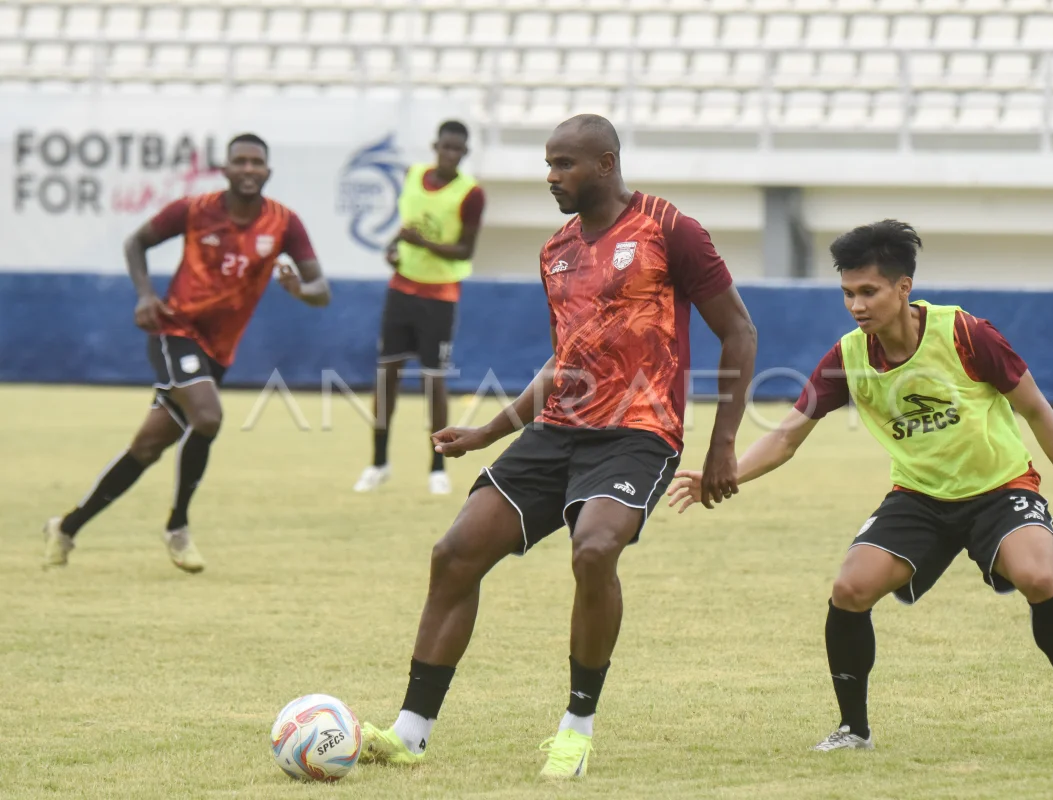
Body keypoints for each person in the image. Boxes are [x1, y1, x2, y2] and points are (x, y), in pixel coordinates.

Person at [356, 114, 758, 779]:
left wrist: (723, 445)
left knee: (594, 549)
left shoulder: (668, 227)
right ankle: (410, 732)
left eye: (563, 164)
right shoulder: (556, 251)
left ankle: (576, 728)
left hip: (640, 432)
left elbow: (739, 330)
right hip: (558, 431)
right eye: (548, 164)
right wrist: (488, 432)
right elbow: (564, 362)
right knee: (454, 554)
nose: (551, 177)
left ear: (606, 164)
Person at [670, 220, 1053, 761]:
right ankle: (853, 729)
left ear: (903, 287)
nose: (856, 305)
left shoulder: (965, 334)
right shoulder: (848, 357)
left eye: (869, 291)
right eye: (848, 293)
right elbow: (787, 436)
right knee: (850, 588)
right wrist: (725, 474)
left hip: (1000, 488)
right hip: (919, 498)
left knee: (1039, 575)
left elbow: (1038, 412)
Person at [43, 133, 330, 573]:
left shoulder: (283, 223)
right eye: (240, 161)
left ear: (268, 171)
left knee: (147, 446)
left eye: (256, 162)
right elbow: (136, 242)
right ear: (225, 168)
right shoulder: (195, 210)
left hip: (219, 351)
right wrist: (145, 295)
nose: (248, 169)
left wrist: (299, 289)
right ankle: (177, 525)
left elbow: (321, 290)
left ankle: (65, 527)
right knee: (208, 417)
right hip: (174, 329)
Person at [353, 120, 486, 496]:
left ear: (465, 152)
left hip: (440, 296)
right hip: (401, 290)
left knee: (434, 381)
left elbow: (465, 250)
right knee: (387, 376)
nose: (450, 154)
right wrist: (394, 248)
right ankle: (378, 462)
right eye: (445, 147)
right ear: (435, 146)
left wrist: (422, 243)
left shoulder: (471, 194)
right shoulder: (412, 177)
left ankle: (437, 467)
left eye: (457, 149)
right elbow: (405, 229)